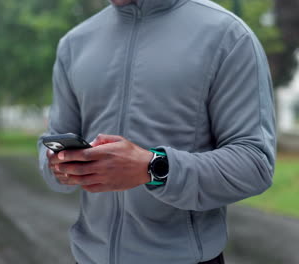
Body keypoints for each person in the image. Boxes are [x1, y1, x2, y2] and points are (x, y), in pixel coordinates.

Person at [38, 0, 276, 263]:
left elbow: (255, 163)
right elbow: (52, 141)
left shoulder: (228, 35)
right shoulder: (75, 42)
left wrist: (154, 167)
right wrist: (59, 166)